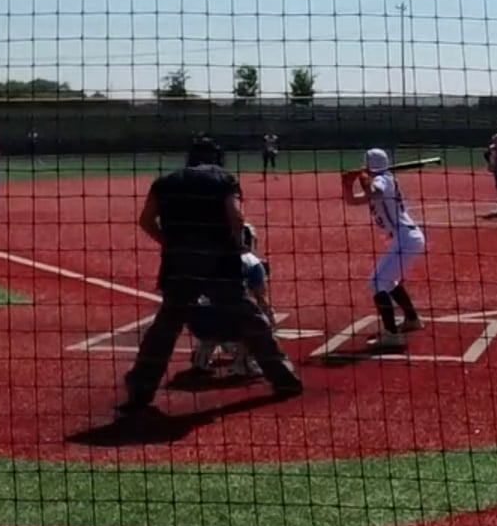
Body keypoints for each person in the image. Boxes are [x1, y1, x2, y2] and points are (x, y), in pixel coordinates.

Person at [118, 137, 301, 419]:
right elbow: (236, 217)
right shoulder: (223, 179)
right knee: (250, 319)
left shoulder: (165, 182)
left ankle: (140, 390)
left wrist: (170, 243)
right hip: (220, 263)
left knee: (165, 328)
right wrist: (236, 244)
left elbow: (146, 220)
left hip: (178, 264)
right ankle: (283, 378)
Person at [346, 148, 427, 351]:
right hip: (405, 238)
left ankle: (392, 335)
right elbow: (353, 200)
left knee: (377, 282)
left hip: (405, 238)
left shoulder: (382, 179)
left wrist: (364, 177)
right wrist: (347, 183)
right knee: (388, 281)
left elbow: (376, 192)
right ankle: (412, 320)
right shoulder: (381, 178)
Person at [187, 223, 274, 378]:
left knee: (209, 307)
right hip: (228, 324)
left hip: (197, 323)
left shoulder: (207, 257)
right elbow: (262, 300)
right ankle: (243, 365)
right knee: (256, 319)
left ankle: (201, 358)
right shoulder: (253, 262)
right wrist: (270, 321)